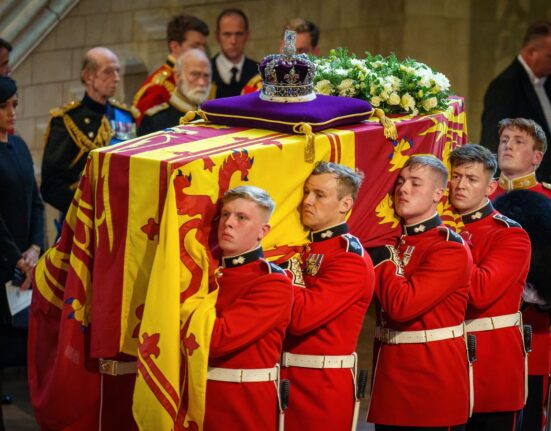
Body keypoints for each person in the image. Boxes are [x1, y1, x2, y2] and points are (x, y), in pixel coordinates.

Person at [367, 155, 472, 430]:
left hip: (431, 382)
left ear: (438, 194)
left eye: (415, 183)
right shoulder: (394, 242)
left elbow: (403, 305)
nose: (403, 189)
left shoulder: (449, 247)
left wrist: (381, 256)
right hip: (390, 379)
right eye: (400, 182)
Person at [281, 162, 374, 431]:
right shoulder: (306, 245)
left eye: (319, 195)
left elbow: (300, 318)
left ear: (345, 204)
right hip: (285, 379)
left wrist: (288, 270)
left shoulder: (350, 258)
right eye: (306, 192)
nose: (307, 201)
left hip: (320, 386)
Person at [448, 144, 530, 431]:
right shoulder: (443, 229)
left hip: (492, 366)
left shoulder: (510, 235)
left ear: (491, 186)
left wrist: (453, 248)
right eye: (456, 176)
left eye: (471, 179)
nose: (460, 185)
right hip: (447, 367)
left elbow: (480, 293)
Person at [204, 186, 293, 431]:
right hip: (196, 402)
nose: (228, 223)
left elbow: (217, 339)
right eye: (225, 214)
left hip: (241, 408)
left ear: (262, 231)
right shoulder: (205, 274)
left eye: (241, 217)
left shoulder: (272, 282)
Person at [41, 47, 136, 217]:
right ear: (88, 76)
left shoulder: (126, 115)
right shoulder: (67, 121)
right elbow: (51, 185)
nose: (116, 78)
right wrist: (86, 212)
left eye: (117, 71)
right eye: (107, 72)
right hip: (84, 218)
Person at [0, 76, 44, 431]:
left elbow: (35, 201)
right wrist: (16, 257)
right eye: (4, 106)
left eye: (15, 104)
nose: (12, 112)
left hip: (23, 266)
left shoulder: (19, 146)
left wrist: (35, 248)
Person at [480, 21, 551, 182]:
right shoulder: (505, 86)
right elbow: (493, 142)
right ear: (532, 52)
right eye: (550, 56)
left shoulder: (547, 81)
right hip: (522, 186)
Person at [133, 14, 209, 125]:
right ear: (174, 46)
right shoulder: (157, 88)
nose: (202, 52)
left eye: (203, 46)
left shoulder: (204, 78)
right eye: (195, 46)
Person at [138, 48, 211, 136]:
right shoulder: (155, 120)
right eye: (195, 74)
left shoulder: (213, 115)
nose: (202, 82)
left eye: (206, 76)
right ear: (177, 77)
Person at [490, 118, 551, 199]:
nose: (508, 146)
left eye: (518, 142)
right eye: (504, 141)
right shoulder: (480, 193)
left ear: (537, 157)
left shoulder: (548, 196)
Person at [211, 8, 259, 98]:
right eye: (227, 34)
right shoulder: (204, 73)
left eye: (239, 34)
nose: (233, 41)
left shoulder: (260, 74)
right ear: (217, 36)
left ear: (247, 35)